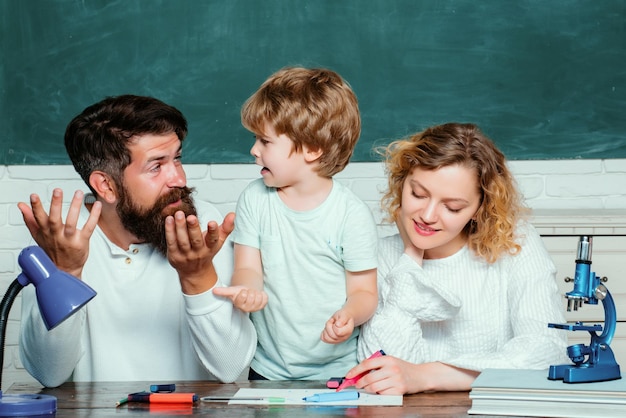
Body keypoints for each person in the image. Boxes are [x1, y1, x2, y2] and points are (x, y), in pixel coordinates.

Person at [18, 95, 256, 387]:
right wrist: (65, 273)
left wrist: (198, 276)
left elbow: (229, 368)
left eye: (177, 159)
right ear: (106, 185)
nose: (179, 179)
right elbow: (49, 374)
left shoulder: (199, 224)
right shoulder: (63, 239)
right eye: (157, 166)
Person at [347, 122, 570, 395]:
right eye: (417, 193)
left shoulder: (516, 244)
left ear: (479, 208)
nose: (427, 216)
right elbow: (379, 373)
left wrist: (427, 376)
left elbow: (547, 351)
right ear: (402, 182)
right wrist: (411, 257)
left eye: (452, 207)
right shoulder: (379, 256)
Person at [213, 67, 379, 380]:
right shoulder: (254, 198)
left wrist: (350, 314)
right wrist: (249, 291)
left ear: (312, 149)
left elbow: (365, 292)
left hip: (339, 371)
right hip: (268, 369)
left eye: (265, 141)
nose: (254, 150)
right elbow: (249, 268)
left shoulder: (351, 214)